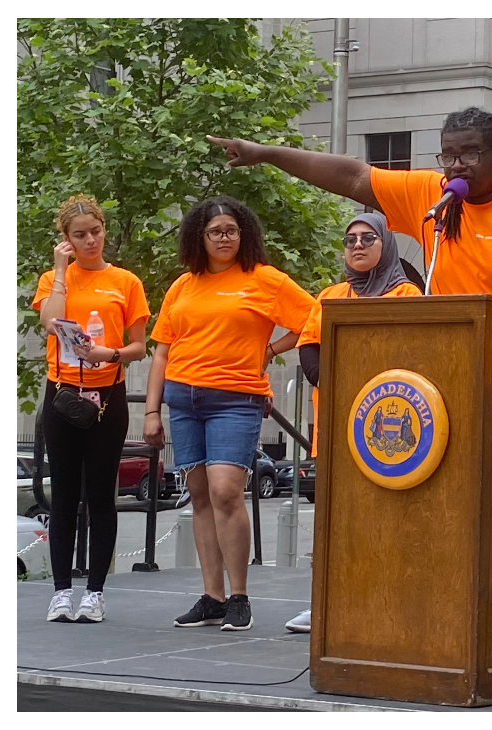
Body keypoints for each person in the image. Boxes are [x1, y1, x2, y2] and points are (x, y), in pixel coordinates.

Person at [208, 107, 492, 687]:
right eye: (447, 154)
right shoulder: (431, 197)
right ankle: (445, 628)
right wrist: (267, 153)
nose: (455, 166)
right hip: (461, 377)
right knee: (452, 508)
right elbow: (349, 176)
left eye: (469, 154)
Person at [144, 196, 316, 632]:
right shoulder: (183, 286)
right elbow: (161, 353)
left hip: (236, 399)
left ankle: (240, 596)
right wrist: (151, 411)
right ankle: (213, 597)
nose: (225, 238)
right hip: (183, 399)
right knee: (199, 496)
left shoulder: (265, 279)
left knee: (225, 491)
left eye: (232, 230)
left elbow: (313, 318)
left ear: (245, 235)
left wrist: (269, 349)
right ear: (199, 237)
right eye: (216, 231)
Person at [284, 211, 421, 634]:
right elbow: (309, 350)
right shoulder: (330, 296)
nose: (358, 246)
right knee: (334, 522)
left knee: (388, 521)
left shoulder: (407, 295)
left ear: (386, 245)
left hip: (388, 434)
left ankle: (385, 603)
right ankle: (326, 604)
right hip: (335, 427)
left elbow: (413, 353)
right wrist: (338, 384)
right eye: (350, 240)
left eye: (367, 238)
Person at [35, 195, 150, 624]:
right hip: (62, 392)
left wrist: (110, 353)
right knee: (63, 493)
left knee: (102, 494)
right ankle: (62, 591)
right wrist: (62, 272)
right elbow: (50, 321)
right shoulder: (53, 278)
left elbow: (139, 346)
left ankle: (95, 592)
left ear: (104, 229)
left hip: (107, 395)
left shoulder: (125, 281)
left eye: (96, 231)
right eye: (79, 235)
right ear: (65, 239)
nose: (90, 240)